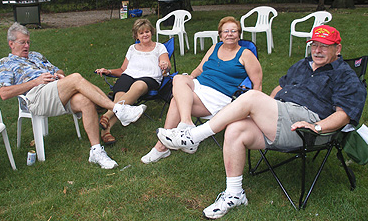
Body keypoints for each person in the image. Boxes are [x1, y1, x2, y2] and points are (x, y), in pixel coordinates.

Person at [156, 25, 367, 219]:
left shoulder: (346, 76)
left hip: (306, 127)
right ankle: (234, 193)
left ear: (337, 49)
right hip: (281, 117)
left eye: (325, 47)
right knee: (235, 129)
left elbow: (344, 115)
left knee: (250, 97)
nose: (317, 50)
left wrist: (317, 127)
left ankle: (193, 135)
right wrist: (268, 107)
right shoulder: (303, 65)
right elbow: (279, 88)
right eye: (314, 45)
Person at [0, 22, 146, 169]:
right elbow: (4, 93)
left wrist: (58, 75)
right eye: (22, 42)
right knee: (75, 78)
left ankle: (96, 151)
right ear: (11, 43)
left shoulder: (36, 56)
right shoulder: (6, 63)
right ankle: (118, 109)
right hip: (35, 97)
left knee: (85, 101)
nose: (27, 46)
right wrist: (35, 82)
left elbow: (59, 70)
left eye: (28, 42)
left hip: (55, 90)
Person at [141, 16, 262, 164]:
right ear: (220, 34)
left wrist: (255, 109)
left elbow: (257, 83)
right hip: (199, 85)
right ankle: (186, 125)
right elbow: (199, 69)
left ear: (239, 34)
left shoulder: (245, 54)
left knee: (175, 101)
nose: (229, 34)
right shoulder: (215, 47)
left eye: (233, 31)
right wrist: (189, 79)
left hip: (218, 96)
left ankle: (162, 146)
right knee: (179, 79)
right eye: (226, 31)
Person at [95, 19, 171, 145]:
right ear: (136, 36)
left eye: (147, 31)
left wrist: (164, 65)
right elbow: (122, 70)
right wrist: (108, 71)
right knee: (119, 96)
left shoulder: (159, 47)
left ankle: (107, 115)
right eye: (141, 33)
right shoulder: (132, 48)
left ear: (151, 32)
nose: (145, 35)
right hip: (128, 75)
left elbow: (166, 65)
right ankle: (106, 130)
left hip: (149, 78)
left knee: (138, 86)